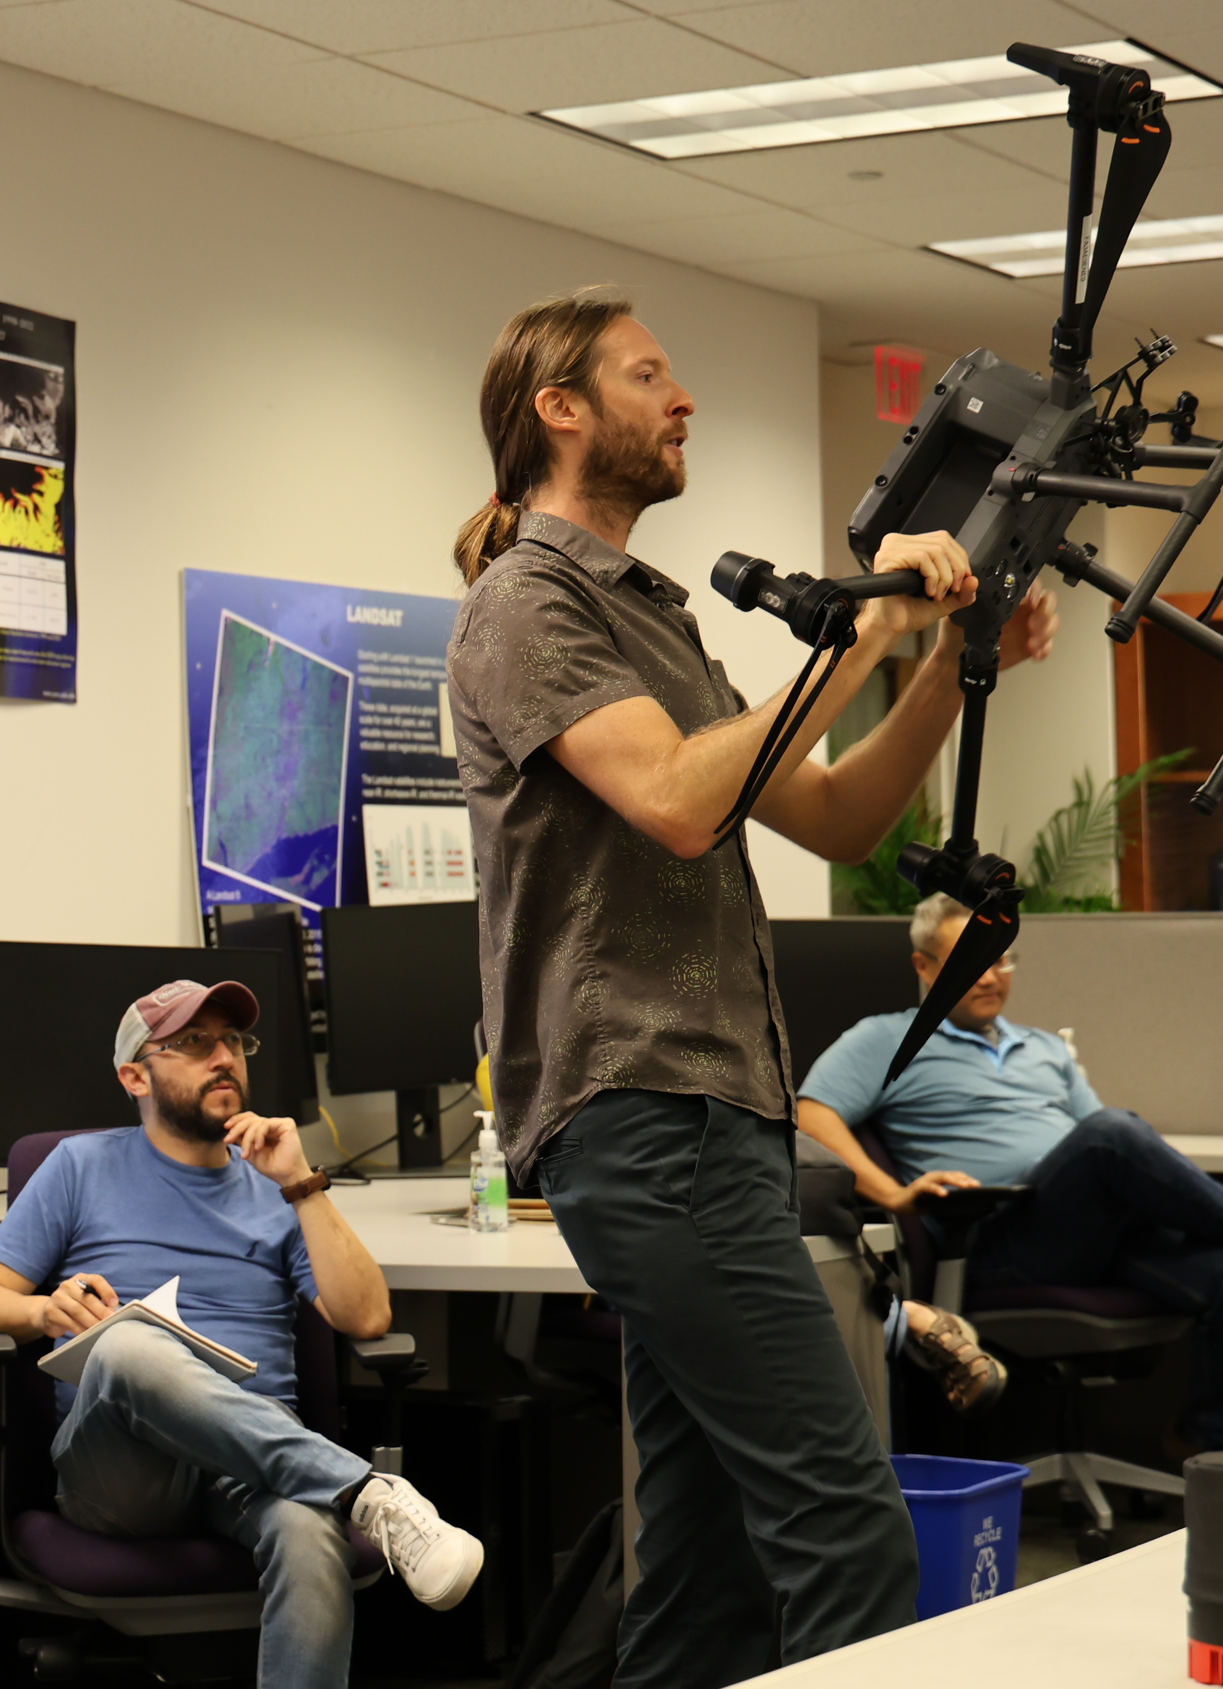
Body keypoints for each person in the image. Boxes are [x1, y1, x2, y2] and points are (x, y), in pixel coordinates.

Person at [446, 290, 1056, 1689]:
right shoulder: (526, 607)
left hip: (717, 1121)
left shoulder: (654, 620)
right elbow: (672, 800)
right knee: (850, 1531)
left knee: (710, 1568)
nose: (686, 400)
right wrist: (860, 630)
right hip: (644, 1122)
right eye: (650, 376)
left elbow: (834, 817)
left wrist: (948, 674)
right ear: (560, 408)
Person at [0, 978, 484, 1689]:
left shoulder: (277, 1187)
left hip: (256, 1464)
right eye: (194, 1043)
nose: (223, 1056)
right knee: (130, 1343)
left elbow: (368, 1319)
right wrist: (45, 1311)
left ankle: (342, 1497)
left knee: (307, 1531)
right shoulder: (78, 1167)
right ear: (135, 1076)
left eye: (233, 1040)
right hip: (123, 1473)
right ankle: (363, 1492)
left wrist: (301, 1185)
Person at [795, 893, 1223, 1456]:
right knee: (1114, 1134)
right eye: (968, 962)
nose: (989, 976)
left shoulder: (1043, 1049)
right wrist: (896, 1195)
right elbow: (810, 1116)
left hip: (1088, 1231)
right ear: (924, 967)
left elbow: (1103, 1149)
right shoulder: (885, 1039)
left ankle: (1214, 1452)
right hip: (999, 1239)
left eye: (1001, 960)